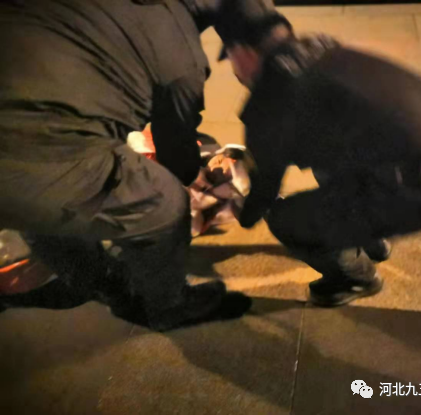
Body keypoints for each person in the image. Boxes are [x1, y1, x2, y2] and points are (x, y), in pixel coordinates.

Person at [0, 0, 284, 330]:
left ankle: (96, 278)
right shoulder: (182, 58)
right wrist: (197, 179)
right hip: (36, 163)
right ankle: (168, 305)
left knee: (49, 195)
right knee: (164, 203)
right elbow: (177, 159)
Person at [224, 19, 421, 307]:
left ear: (245, 53)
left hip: (419, 192)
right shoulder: (325, 51)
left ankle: (356, 278)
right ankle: (372, 240)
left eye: (230, 56)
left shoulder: (268, 98)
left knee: (285, 220)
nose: (233, 68)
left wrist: (244, 209)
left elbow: (263, 192)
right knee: (328, 160)